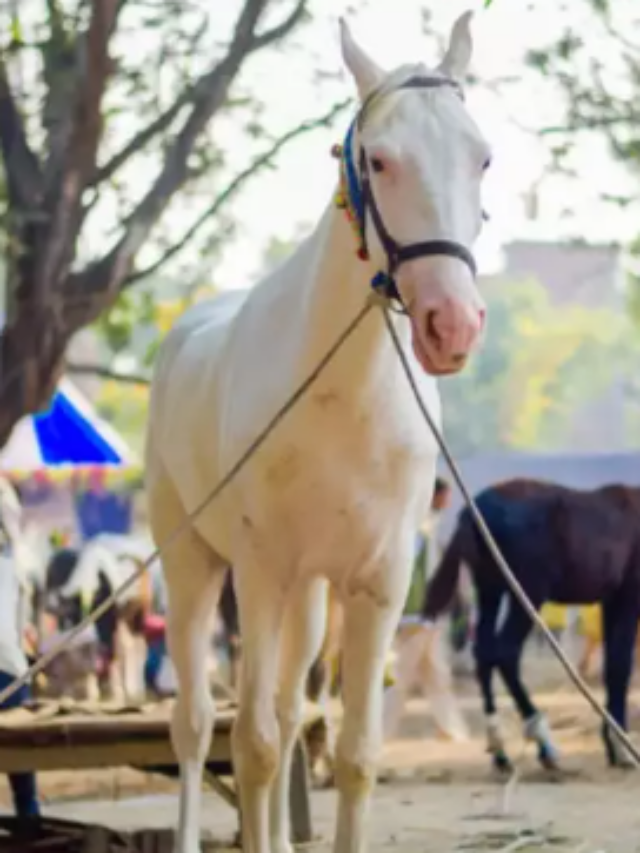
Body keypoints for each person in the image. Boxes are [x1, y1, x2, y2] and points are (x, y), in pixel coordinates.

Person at [0, 478, 40, 817]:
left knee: (22, 771)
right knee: (22, 774)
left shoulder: (13, 562)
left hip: (8, 669)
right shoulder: (16, 562)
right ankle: (30, 822)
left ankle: (30, 822)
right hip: (12, 669)